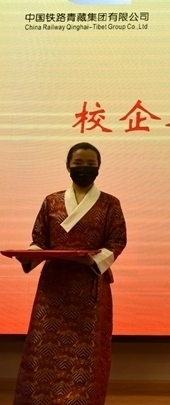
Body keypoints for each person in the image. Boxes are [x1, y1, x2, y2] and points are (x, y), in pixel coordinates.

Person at [13, 142, 127, 405]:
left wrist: (92, 260)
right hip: (54, 287)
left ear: (99, 167)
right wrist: (30, 255)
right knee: (44, 346)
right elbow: (39, 240)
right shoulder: (51, 201)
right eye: (78, 163)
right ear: (68, 166)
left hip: (89, 286)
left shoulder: (110, 204)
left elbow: (117, 241)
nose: (84, 168)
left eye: (90, 164)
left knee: (86, 350)